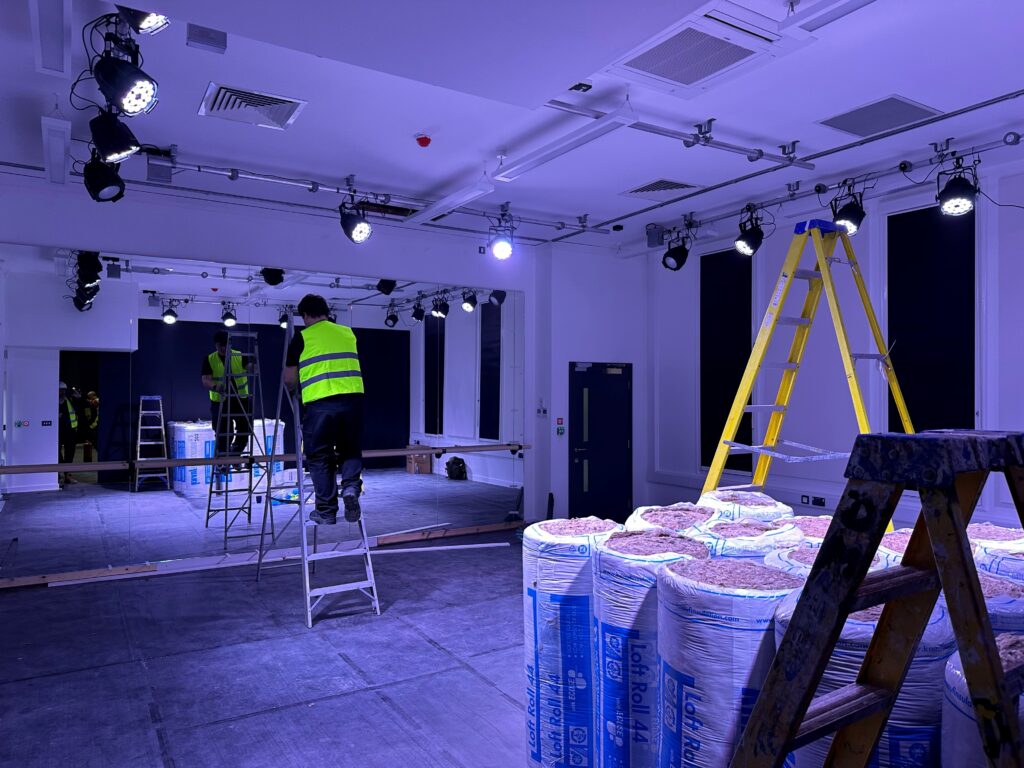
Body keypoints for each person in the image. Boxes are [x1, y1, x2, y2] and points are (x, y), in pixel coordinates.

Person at [283, 294, 365, 524]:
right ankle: (350, 488)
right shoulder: (348, 333)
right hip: (353, 401)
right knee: (350, 449)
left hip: (320, 405)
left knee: (319, 456)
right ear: (326, 311)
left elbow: (289, 379)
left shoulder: (302, 337)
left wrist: (295, 390)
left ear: (306, 315)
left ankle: (327, 511)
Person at [201, 330, 251, 467]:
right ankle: (223, 458)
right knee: (223, 431)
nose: (223, 348)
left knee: (245, 428)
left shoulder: (240, 356)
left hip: (240, 399)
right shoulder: (210, 359)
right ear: (216, 345)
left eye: (225, 345)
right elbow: (205, 380)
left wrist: (253, 366)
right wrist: (216, 387)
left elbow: (251, 368)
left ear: (230, 344)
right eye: (219, 345)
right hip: (220, 400)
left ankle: (235, 453)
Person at [57, 382, 79, 485]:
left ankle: (67, 475)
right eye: (60, 390)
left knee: (69, 454)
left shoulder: (69, 401)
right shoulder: (52, 402)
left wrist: (79, 398)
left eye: (64, 390)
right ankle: (57, 474)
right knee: (56, 453)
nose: (62, 392)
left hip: (70, 432)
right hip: (56, 433)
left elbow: (82, 408)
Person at [82, 391, 100, 462]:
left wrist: (87, 402)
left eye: (90, 397)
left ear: (93, 395)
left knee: (93, 436)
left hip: (97, 422)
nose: (89, 398)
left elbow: (94, 404)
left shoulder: (97, 400)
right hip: (96, 422)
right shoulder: (94, 400)